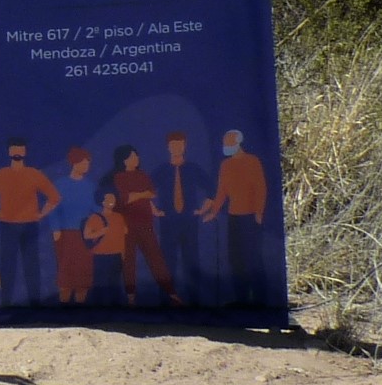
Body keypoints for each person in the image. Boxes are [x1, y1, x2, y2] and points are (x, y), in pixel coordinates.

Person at [0, 140, 59, 306]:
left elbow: (54, 197)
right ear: (9, 152)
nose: (17, 153)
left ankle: (33, 302)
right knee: (9, 265)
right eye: (15, 150)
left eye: (20, 150)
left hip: (29, 225)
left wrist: (41, 214)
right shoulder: (2, 174)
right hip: (8, 225)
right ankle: (7, 302)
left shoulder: (33, 174)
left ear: (25, 152)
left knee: (31, 265)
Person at [198, 128, 272, 308]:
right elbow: (221, 191)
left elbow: (260, 188)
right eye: (225, 144)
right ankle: (241, 299)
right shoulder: (226, 165)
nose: (226, 146)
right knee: (235, 260)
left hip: (251, 218)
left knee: (253, 258)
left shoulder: (252, 161)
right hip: (234, 217)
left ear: (238, 143)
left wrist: (259, 213)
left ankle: (261, 300)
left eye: (229, 143)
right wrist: (213, 212)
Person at [107, 145, 177, 304]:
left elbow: (150, 194)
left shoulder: (143, 175)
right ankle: (130, 296)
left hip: (145, 223)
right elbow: (125, 199)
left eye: (137, 156)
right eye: (133, 156)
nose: (137, 159)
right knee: (129, 261)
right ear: (125, 160)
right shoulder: (119, 177)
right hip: (127, 226)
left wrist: (153, 209)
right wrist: (141, 194)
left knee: (155, 257)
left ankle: (171, 292)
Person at [156, 131, 213, 304]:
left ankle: (194, 300)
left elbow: (211, 189)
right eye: (173, 145)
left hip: (189, 222)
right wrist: (155, 211)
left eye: (179, 144)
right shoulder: (161, 171)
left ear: (185, 146)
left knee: (191, 260)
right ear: (168, 147)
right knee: (167, 261)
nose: (176, 148)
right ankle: (166, 299)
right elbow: (145, 191)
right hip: (168, 222)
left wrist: (202, 210)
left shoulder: (193, 169)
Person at [49, 147, 96, 304]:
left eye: (88, 163)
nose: (86, 166)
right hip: (65, 234)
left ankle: (79, 306)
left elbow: (95, 208)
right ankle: (64, 305)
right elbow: (53, 208)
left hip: (85, 234)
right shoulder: (60, 184)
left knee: (84, 270)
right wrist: (55, 229)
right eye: (84, 163)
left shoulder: (90, 186)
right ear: (74, 163)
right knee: (66, 270)